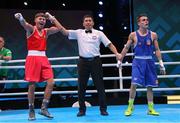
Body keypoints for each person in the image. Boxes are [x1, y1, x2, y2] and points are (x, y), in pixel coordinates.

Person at [54, 14, 121, 116]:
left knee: (100, 86)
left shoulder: (99, 33)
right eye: (86, 20)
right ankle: (82, 110)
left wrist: (116, 53)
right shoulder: (78, 32)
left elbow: (109, 44)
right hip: (82, 62)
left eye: (90, 20)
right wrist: (54, 19)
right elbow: (64, 31)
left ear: (93, 23)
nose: (88, 22)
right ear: (83, 23)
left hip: (96, 61)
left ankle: (103, 109)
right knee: (81, 87)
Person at [14, 12, 61, 120]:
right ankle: (31, 109)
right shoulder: (31, 29)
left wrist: (52, 18)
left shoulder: (46, 31)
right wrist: (21, 17)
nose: (42, 21)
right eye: (40, 19)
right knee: (32, 85)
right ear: (35, 20)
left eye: (44, 19)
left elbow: (59, 28)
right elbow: (24, 24)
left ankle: (44, 108)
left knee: (51, 82)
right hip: (32, 58)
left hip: (44, 58)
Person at [118, 14, 166, 116]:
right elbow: (126, 48)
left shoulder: (153, 35)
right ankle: (130, 107)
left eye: (147, 20)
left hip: (149, 61)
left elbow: (157, 49)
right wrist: (120, 60)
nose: (146, 21)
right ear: (139, 23)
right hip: (138, 62)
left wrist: (161, 63)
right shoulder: (133, 35)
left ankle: (150, 109)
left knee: (150, 86)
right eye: (143, 20)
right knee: (133, 85)